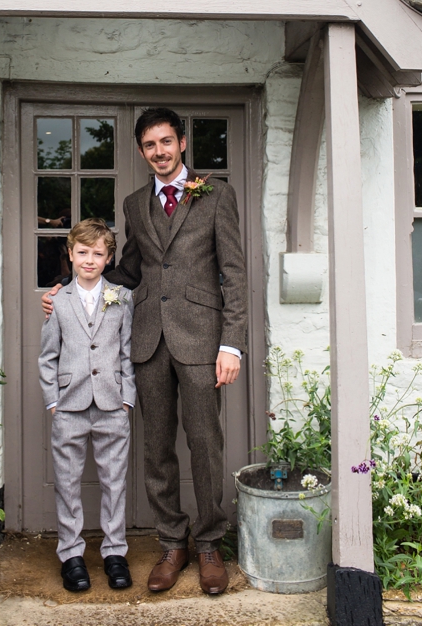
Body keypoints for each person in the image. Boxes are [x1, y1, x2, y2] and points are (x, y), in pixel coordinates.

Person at [43, 107, 248, 595]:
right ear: (142, 151)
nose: (159, 152)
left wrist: (232, 343)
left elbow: (234, 273)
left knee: (205, 444)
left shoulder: (216, 194)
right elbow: (128, 272)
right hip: (148, 340)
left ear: (181, 144)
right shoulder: (136, 204)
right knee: (157, 449)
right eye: (150, 145)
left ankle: (208, 544)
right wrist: (68, 289)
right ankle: (172, 542)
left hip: (201, 339)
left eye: (166, 142)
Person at [39, 218, 135, 593]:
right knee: (67, 483)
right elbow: (48, 356)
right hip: (69, 406)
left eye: (98, 254)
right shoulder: (58, 302)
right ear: (71, 254)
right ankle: (71, 554)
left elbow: (127, 353)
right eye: (83, 253)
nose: (90, 260)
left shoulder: (121, 298)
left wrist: (126, 399)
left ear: (109, 258)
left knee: (114, 483)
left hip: (112, 405)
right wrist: (53, 403)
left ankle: (114, 552)